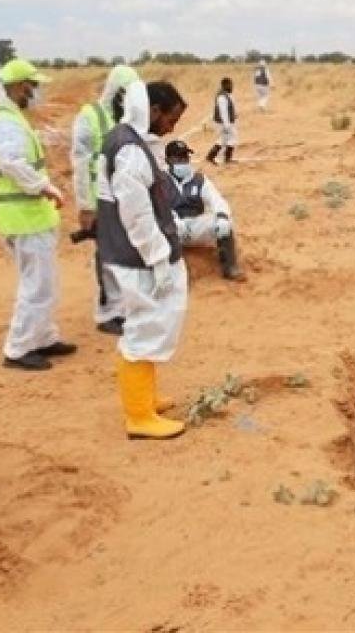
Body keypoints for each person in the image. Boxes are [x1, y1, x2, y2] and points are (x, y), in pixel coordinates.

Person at [97, 80, 190, 440]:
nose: (172, 128)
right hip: (137, 256)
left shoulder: (128, 141)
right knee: (144, 328)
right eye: (171, 119)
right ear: (153, 111)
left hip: (133, 253)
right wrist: (158, 257)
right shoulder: (130, 150)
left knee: (151, 325)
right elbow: (136, 214)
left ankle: (146, 400)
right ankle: (138, 416)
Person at [0, 58, 76, 371]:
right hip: (23, 219)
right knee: (36, 287)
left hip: (30, 218)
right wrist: (43, 186)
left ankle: (43, 337)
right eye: (32, 86)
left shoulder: (12, 118)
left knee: (44, 284)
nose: (35, 92)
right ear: (19, 86)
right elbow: (11, 162)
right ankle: (19, 348)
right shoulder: (6, 123)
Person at [70, 64, 139, 335]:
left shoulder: (128, 118)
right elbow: (80, 163)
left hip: (124, 199)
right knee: (108, 258)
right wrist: (86, 206)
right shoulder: (90, 117)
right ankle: (108, 313)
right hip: (101, 200)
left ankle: (123, 308)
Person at [163, 139, 245, 281]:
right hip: (173, 228)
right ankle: (167, 272)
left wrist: (222, 216)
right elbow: (158, 206)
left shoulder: (199, 179)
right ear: (168, 160)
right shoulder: (161, 181)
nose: (183, 162)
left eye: (185, 157)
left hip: (194, 225)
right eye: (178, 158)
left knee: (225, 224)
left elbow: (216, 199)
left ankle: (230, 267)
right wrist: (173, 220)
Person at [206, 77, 237, 165]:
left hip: (224, 122)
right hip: (222, 123)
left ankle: (225, 158)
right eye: (230, 85)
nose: (232, 87)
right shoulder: (222, 97)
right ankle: (211, 157)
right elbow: (223, 112)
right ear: (225, 85)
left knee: (229, 139)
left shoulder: (226, 95)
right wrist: (227, 125)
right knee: (225, 139)